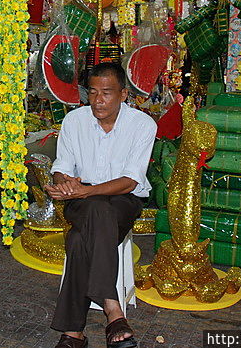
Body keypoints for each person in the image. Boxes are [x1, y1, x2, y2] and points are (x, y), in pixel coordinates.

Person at [45, 62, 156, 348]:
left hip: (123, 201)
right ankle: (112, 310)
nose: (98, 100)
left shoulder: (142, 125)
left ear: (124, 94)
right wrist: (63, 183)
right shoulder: (74, 121)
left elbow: (131, 181)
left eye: (107, 93)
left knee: (81, 237)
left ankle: (74, 333)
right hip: (81, 202)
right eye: (92, 92)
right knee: (95, 210)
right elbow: (62, 166)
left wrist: (83, 191)